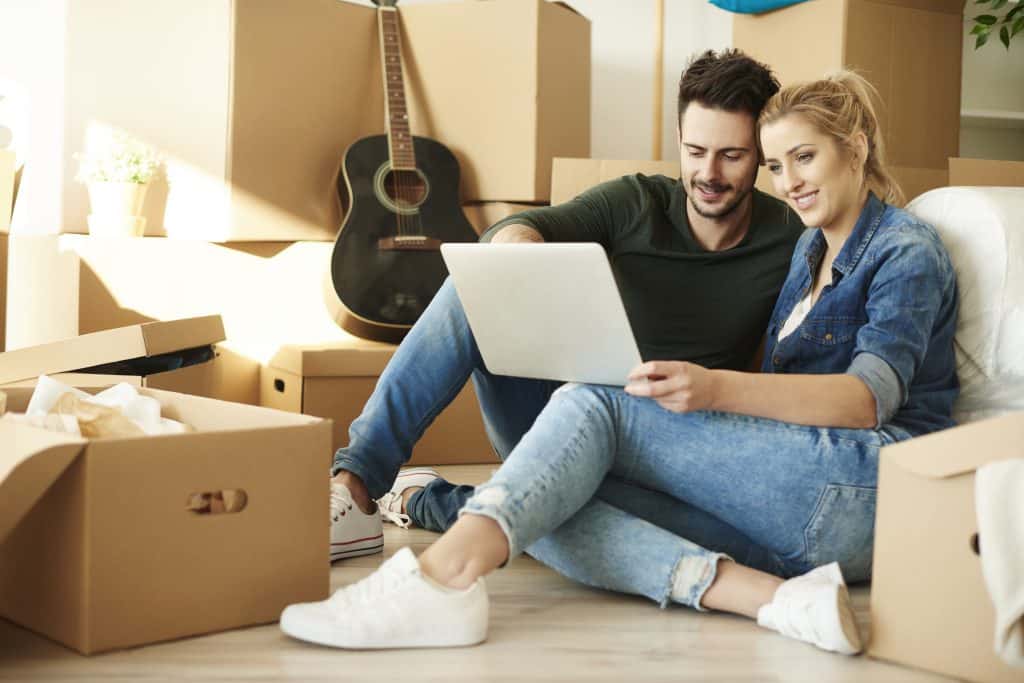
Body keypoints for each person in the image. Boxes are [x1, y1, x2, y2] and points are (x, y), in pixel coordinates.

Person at [279, 70, 959, 655]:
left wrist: (714, 388)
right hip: (787, 487)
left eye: (797, 159)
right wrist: (516, 242)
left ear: (857, 146)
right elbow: (536, 228)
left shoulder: (901, 248)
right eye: (780, 166)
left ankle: (443, 576)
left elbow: (869, 401)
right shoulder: (807, 251)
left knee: (594, 402)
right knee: (567, 489)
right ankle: (776, 599)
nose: (789, 181)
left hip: (868, 482)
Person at [325, 50, 803, 582]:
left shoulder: (790, 238)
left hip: (671, 456)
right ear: (678, 138)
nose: (708, 174)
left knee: (662, 532)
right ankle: (358, 485)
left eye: (731, 156)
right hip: (560, 420)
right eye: (695, 151)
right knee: (475, 280)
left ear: (762, 152)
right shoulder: (635, 202)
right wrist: (520, 252)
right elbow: (520, 227)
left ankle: (430, 502)